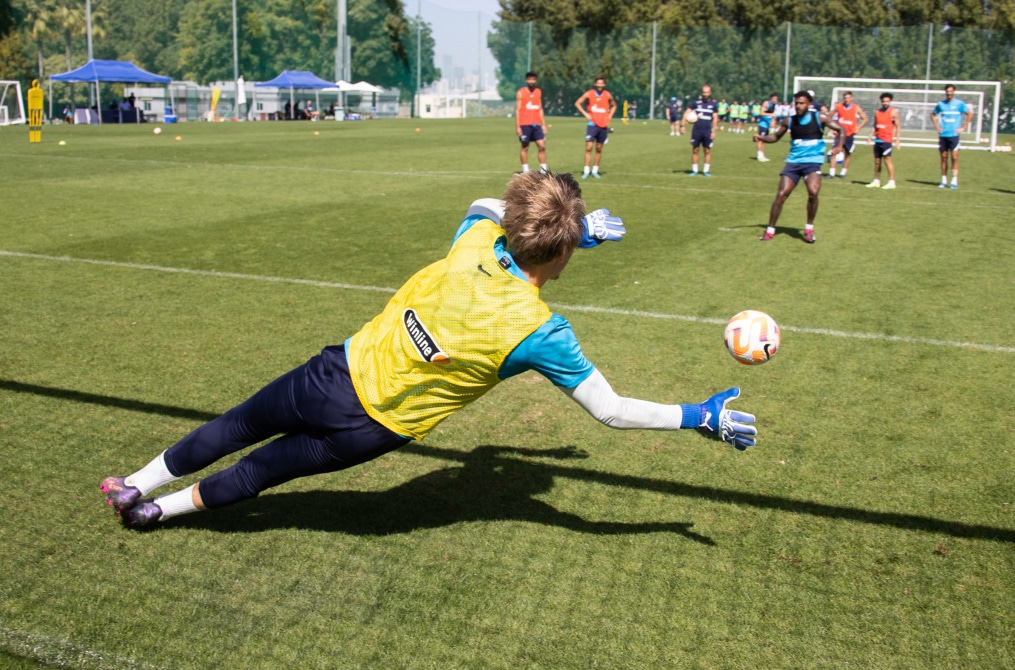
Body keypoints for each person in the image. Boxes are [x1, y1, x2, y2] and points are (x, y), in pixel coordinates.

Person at [101, 172, 758, 528]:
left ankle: (133, 485)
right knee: (263, 473)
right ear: (559, 255)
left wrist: (571, 226)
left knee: (237, 426)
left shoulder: (474, 244)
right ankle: (157, 514)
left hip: (335, 372)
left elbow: (482, 202)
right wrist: (697, 415)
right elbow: (611, 411)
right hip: (372, 430)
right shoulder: (540, 332)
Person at [755, 91, 843, 244]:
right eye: (796, 103)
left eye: (802, 103)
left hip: (812, 163)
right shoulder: (789, 120)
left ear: (809, 104)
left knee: (813, 192)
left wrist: (839, 146)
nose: (798, 106)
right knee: (781, 194)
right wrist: (761, 137)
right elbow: (775, 137)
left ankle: (809, 229)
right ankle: (770, 230)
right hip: (794, 163)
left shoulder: (819, 118)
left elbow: (842, 129)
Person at [574, 77, 617, 179]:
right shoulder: (589, 93)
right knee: (589, 147)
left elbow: (614, 105)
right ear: (595, 84)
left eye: (602, 83)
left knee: (599, 148)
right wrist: (585, 114)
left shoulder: (607, 94)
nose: (600, 85)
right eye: (598, 83)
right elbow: (577, 103)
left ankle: (595, 171)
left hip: (603, 125)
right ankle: (586, 171)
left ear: (604, 85)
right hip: (592, 124)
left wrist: (610, 115)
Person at [931, 84, 971, 190]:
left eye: (950, 91)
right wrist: (937, 126)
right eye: (947, 91)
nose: (949, 93)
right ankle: (944, 180)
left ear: (953, 92)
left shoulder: (959, 104)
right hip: (943, 135)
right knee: (944, 157)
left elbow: (970, 114)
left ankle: (954, 181)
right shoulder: (940, 104)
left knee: (954, 157)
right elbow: (932, 115)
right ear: (945, 92)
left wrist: (964, 127)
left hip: (954, 135)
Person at [827, 91, 867, 179]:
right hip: (839, 133)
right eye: (845, 98)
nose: (847, 100)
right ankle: (832, 173)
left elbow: (864, 119)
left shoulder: (856, 107)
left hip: (850, 134)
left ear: (851, 98)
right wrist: (832, 128)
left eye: (848, 98)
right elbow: (829, 116)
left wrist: (858, 128)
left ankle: (843, 173)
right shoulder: (838, 106)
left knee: (848, 153)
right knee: (834, 152)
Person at [516, 71, 548, 174]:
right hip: (525, 124)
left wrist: (543, 124)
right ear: (526, 80)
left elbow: (540, 108)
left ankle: (544, 171)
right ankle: (525, 171)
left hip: (537, 124)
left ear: (536, 80)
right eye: (529, 79)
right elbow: (517, 110)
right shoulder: (521, 92)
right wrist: (518, 126)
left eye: (533, 79)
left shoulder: (538, 91)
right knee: (525, 147)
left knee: (542, 146)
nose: (531, 81)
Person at [866, 93, 900, 190]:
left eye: (887, 101)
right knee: (877, 161)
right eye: (884, 101)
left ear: (890, 102)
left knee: (887, 160)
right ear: (881, 101)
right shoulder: (877, 112)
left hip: (887, 140)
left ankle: (891, 182)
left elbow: (898, 126)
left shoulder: (893, 112)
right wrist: (870, 137)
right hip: (878, 140)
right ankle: (876, 180)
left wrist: (897, 140)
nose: (885, 103)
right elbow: (874, 125)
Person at [683, 85, 718, 177]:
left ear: (710, 93)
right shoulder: (695, 103)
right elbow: (686, 113)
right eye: (704, 92)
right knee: (695, 150)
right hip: (697, 130)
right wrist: (683, 125)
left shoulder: (713, 105)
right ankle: (695, 170)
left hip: (707, 131)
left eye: (707, 92)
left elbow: (715, 118)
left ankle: (706, 171)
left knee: (707, 150)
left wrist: (714, 131)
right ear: (701, 93)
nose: (705, 94)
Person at [755, 93, 779, 162]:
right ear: (771, 98)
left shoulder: (774, 105)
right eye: (774, 98)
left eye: (776, 99)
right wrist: (771, 115)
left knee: (764, 140)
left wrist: (773, 121)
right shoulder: (766, 103)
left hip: (767, 125)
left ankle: (762, 155)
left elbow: (773, 115)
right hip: (763, 124)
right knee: (760, 139)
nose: (775, 100)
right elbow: (761, 113)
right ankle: (759, 155)